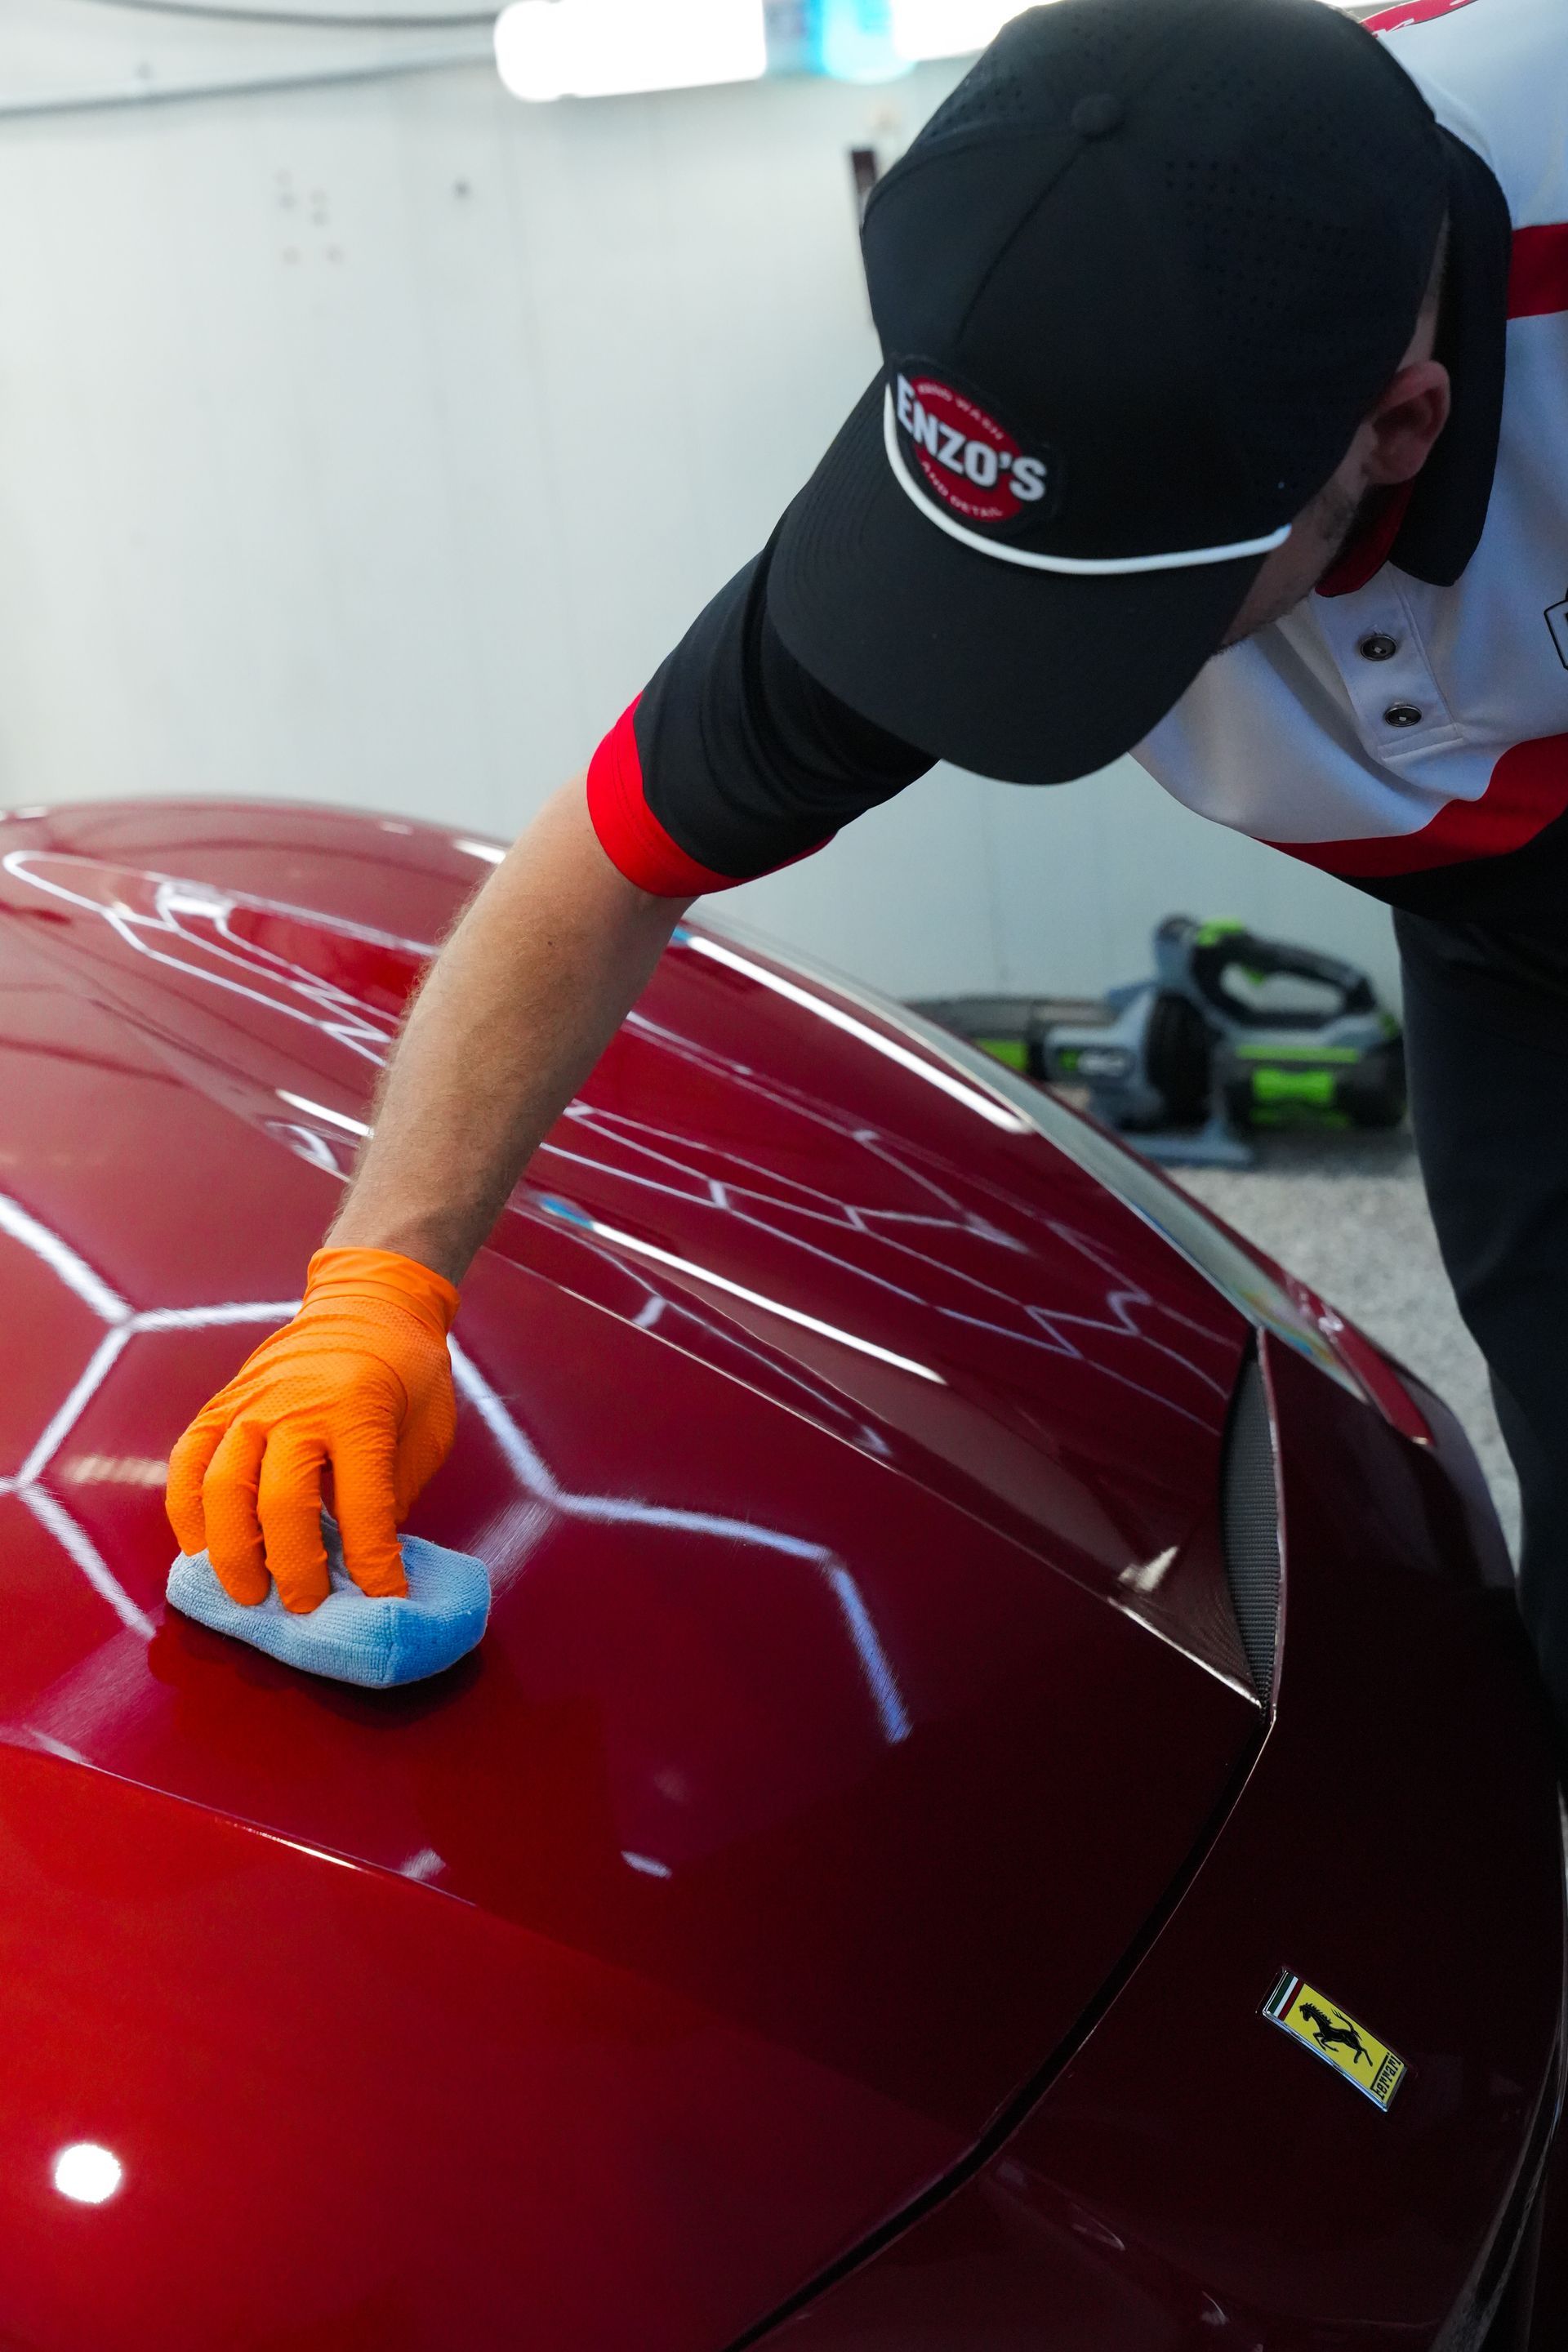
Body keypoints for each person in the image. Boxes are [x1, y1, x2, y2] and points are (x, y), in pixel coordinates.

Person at [167, 0, 1568, 1729]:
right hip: (1505, 952)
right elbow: (604, 864)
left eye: (1130, 616)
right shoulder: (1045, 390)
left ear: (1402, 429)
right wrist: (380, 1281)